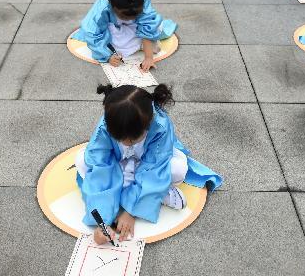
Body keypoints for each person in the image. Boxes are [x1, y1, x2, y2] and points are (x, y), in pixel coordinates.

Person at [76, 83, 222, 244]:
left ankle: (148, 193)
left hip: (150, 162)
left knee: (178, 169)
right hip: (118, 161)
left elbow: (154, 168)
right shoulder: (107, 124)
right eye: (120, 139)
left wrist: (131, 211)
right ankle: (156, 192)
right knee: (82, 161)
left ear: (148, 124)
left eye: (132, 139)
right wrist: (102, 221)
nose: (127, 143)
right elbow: (100, 167)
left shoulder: (160, 125)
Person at [71, 0, 176, 72]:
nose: (129, 18)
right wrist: (107, 56)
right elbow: (92, 32)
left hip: (134, 25)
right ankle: (136, 45)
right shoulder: (103, 8)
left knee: (155, 27)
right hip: (111, 26)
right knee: (111, 44)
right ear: (113, 8)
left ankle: (140, 45)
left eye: (135, 15)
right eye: (125, 16)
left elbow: (147, 26)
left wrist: (149, 58)